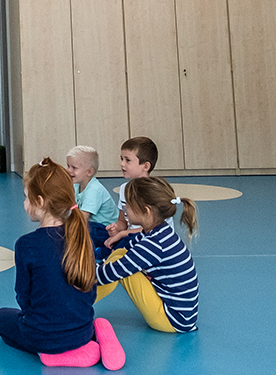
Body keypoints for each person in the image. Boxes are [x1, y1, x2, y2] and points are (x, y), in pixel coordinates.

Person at [0, 157, 124, 370]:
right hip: (82, 331)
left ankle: (53, 355)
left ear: (41, 201)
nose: (24, 204)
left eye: (27, 198)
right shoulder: (84, 233)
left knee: (0, 317)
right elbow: (90, 291)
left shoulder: (26, 244)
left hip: (41, 337)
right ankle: (97, 333)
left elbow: (23, 297)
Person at [95, 176, 199, 334]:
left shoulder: (154, 243)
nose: (124, 208)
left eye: (128, 204)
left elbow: (114, 271)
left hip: (172, 320)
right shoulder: (156, 232)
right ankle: (80, 297)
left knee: (121, 268)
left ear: (146, 211)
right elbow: (127, 249)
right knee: (120, 254)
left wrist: (82, 273)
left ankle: (76, 303)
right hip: (179, 316)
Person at [103, 136, 158, 247]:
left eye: (128, 160)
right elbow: (123, 221)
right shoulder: (124, 188)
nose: (122, 164)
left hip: (150, 239)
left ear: (146, 166)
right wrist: (116, 228)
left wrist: (122, 234)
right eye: (121, 159)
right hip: (130, 236)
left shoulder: (154, 192)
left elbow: (151, 228)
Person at [66, 145, 118, 227]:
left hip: (104, 228)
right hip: (92, 224)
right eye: (68, 166)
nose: (68, 170)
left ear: (89, 172)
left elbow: (83, 218)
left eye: (74, 168)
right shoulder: (77, 185)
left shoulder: (94, 190)